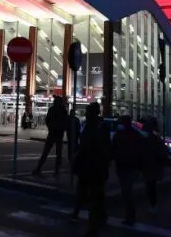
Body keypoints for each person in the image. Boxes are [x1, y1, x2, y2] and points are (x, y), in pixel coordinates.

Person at [70, 102, 111, 237]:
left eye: (88, 112)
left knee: (94, 196)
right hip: (88, 167)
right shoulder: (90, 126)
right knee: (87, 193)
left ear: (94, 113)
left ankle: (93, 226)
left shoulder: (98, 127)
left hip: (94, 168)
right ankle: (79, 215)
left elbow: (99, 148)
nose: (86, 114)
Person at [111, 115, 143, 225]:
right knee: (127, 191)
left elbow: (114, 149)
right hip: (128, 166)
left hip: (125, 166)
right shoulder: (135, 134)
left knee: (126, 192)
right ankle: (130, 216)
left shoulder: (122, 135)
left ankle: (130, 216)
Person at [32, 96, 69, 176]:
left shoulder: (54, 110)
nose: (54, 101)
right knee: (57, 153)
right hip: (58, 133)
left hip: (53, 133)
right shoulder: (63, 111)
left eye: (55, 100)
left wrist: (51, 128)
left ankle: (39, 168)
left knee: (46, 152)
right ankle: (56, 169)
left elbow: (48, 120)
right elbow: (65, 122)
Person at [140, 118, 167, 215]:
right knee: (151, 186)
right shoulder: (155, 138)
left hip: (150, 166)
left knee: (150, 187)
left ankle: (153, 205)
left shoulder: (150, 139)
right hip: (152, 166)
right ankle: (153, 205)